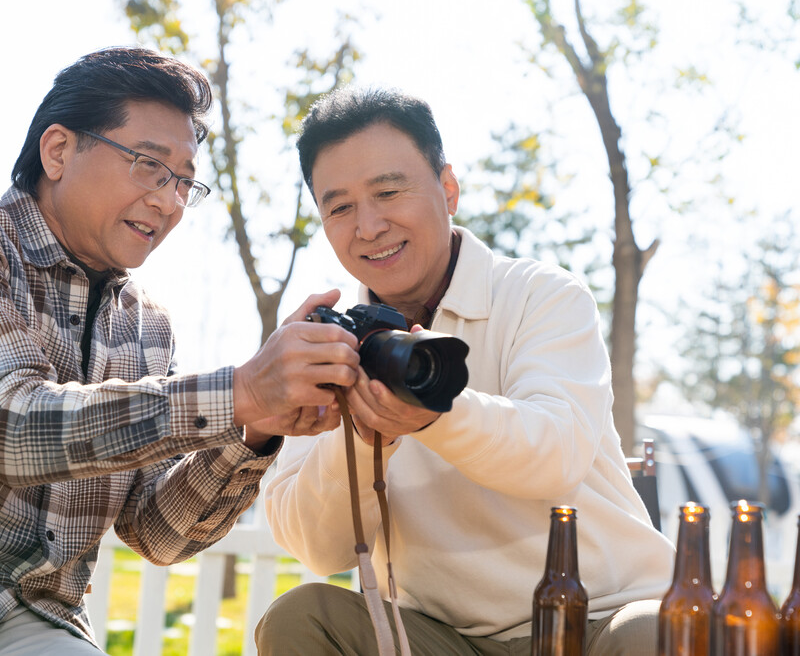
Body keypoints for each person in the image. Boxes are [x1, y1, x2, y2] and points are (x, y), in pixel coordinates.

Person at [0, 47, 360, 656]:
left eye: (185, 180)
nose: (170, 200)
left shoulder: (147, 328)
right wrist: (240, 388)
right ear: (57, 151)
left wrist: (252, 429)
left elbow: (159, 533)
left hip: (33, 618)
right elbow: (10, 424)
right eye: (149, 165)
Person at [256, 87, 675, 655]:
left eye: (388, 191)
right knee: (299, 618)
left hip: (598, 620)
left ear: (448, 188)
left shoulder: (542, 296)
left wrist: (432, 414)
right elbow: (316, 548)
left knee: (657, 635)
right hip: (443, 639)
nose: (369, 225)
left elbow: (557, 453)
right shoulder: (330, 342)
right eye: (340, 207)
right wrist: (355, 435)